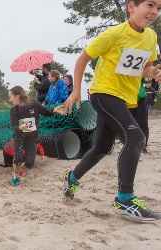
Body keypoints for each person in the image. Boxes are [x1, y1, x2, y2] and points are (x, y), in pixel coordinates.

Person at [63, 0, 161, 221]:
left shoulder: (151, 37)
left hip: (126, 98)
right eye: (150, 5)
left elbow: (145, 70)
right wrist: (76, 90)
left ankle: (71, 177)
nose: (154, 12)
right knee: (136, 137)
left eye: (159, 8)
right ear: (131, 6)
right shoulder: (113, 34)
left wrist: (154, 73)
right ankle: (125, 198)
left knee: (101, 147)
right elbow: (83, 59)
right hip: (104, 94)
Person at [9, 86, 65, 187]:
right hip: (19, 137)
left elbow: (46, 112)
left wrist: (54, 110)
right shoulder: (13, 110)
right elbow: (14, 126)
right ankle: (15, 177)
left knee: (30, 163)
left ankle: (20, 169)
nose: (10, 99)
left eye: (11, 97)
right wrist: (20, 127)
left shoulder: (34, 104)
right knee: (18, 159)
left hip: (32, 137)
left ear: (17, 96)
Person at [129, 78, 149, 154]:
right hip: (127, 97)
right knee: (129, 124)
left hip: (140, 97)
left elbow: (147, 77)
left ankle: (143, 145)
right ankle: (128, 144)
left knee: (143, 123)